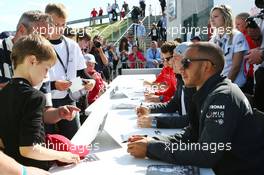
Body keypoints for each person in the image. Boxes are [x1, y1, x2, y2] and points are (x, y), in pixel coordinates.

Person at [127, 42, 264, 175]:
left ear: (206, 66)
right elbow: (191, 134)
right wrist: (153, 142)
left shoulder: (223, 96)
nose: (181, 68)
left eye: (186, 63)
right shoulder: (208, 91)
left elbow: (206, 153)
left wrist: (151, 149)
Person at [0, 34, 80, 170]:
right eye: (46, 68)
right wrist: (61, 155)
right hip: (33, 169)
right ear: (32, 61)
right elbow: (29, 149)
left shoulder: (3, 92)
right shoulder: (35, 96)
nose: (45, 75)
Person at [0, 11, 80, 126]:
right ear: (22, 30)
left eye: (47, 38)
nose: (44, 43)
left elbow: (45, 112)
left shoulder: (41, 64)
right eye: (39, 36)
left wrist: (59, 113)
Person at [45, 3, 95, 139]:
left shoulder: (72, 45)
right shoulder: (39, 45)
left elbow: (80, 74)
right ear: (46, 21)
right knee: (48, 142)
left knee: (73, 140)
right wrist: (54, 84)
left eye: (63, 25)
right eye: (56, 25)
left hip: (69, 100)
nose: (60, 29)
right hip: (45, 103)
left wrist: (88, 82)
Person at [137, 42, 195, 129]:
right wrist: (149, 108)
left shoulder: (195, 84)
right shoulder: (180, 79)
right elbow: (173, 104)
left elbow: (191, 120)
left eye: (175, 58)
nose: (170, 63)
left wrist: (155, 121)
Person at [209, 5, 249, 88]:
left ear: (225, 17)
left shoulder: (237, 36)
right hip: (218, 86)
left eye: (216, 16)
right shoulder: (213, 40)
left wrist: (225, 86)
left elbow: (235, 67)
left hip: (236, 86)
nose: (212, 19)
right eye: (211, 17)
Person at [235, 12, 256, 95]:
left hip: (249, 74)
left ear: (246, 23)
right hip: (248, 74)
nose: (236, 27)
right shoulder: (243, 36)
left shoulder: (245, 37)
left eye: (238, 24)